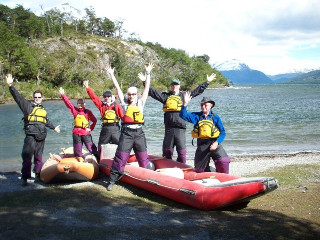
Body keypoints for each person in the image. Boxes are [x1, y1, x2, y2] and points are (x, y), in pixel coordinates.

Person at [105, 63, 155, 191]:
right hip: (126, 133)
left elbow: (147, 89)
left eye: (133, 94)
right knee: (120, 157)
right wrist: (111, 74)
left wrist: (148, 74)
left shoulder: (140, 102)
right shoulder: (124, 103)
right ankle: (112, 180)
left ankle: (147, 180)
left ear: (136, 94)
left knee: (143, 158)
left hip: (139, 133)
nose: (131, 96)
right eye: (129, 94)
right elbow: (117, 88)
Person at [148, 73, 216, 163]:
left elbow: (196, 91)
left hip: (180, 128)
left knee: (181, 152)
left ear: (179, 85)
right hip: (169, 129)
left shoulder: (184, 96)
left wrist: (207, 82)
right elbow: (153, 92)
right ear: (171, 86)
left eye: (176, 84)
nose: (174, 86)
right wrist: (145, 81)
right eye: (172, 84)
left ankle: (182, 168)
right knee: (167, 151)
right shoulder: (165, 96)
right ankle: (166, 167)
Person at [6, 73, 60, 186]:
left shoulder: (43, 110)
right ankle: (25, 177)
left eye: (39, 97)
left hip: (41, 135)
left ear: (42, 98)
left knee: (39, 157)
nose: (37, 99)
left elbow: (45, 121)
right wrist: (11, 86)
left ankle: (38, 175)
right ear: (33, 98)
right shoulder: (27, 106)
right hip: (30, 135)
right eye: (35, 97)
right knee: (27, 156)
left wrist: (54, 127)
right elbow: (18, 98)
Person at [179, 92, 230, 173]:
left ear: (211, 106)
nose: (203, 107)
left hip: (214, 143)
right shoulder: (196, 116)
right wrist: (185, 103)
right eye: (202, 105)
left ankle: (224, 176)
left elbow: (223, 132)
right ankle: (210, 172)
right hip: (202, 145)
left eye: (205, 105)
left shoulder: (215, 117)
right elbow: (183, 115)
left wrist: (216, 143)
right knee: (199, 170)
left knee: (224, 161)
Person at [83, 81, 124, 160]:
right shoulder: (101, 105)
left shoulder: (117, 106)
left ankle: (121, 160)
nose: (107, 98)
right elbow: (94, 98)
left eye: (108, 96)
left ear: (112, 97)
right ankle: (100, 160)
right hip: (106, 129)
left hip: (115, 129)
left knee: (120, 145)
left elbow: (122, 117)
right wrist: (87, 88)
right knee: (101, 145)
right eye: (105, 96)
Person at [59, 87, 98, 159]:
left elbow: (95, 120)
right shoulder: (75, 111)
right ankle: (78, 159)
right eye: (78, 103)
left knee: (91, 148)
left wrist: (90, 129)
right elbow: (68, 104)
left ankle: (97, 159)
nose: (80, 104)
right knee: (77, 150)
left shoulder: (88, 112)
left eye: (81, 103)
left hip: (85, 133)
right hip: (76, 133)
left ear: (84, 103)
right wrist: (63, 95)